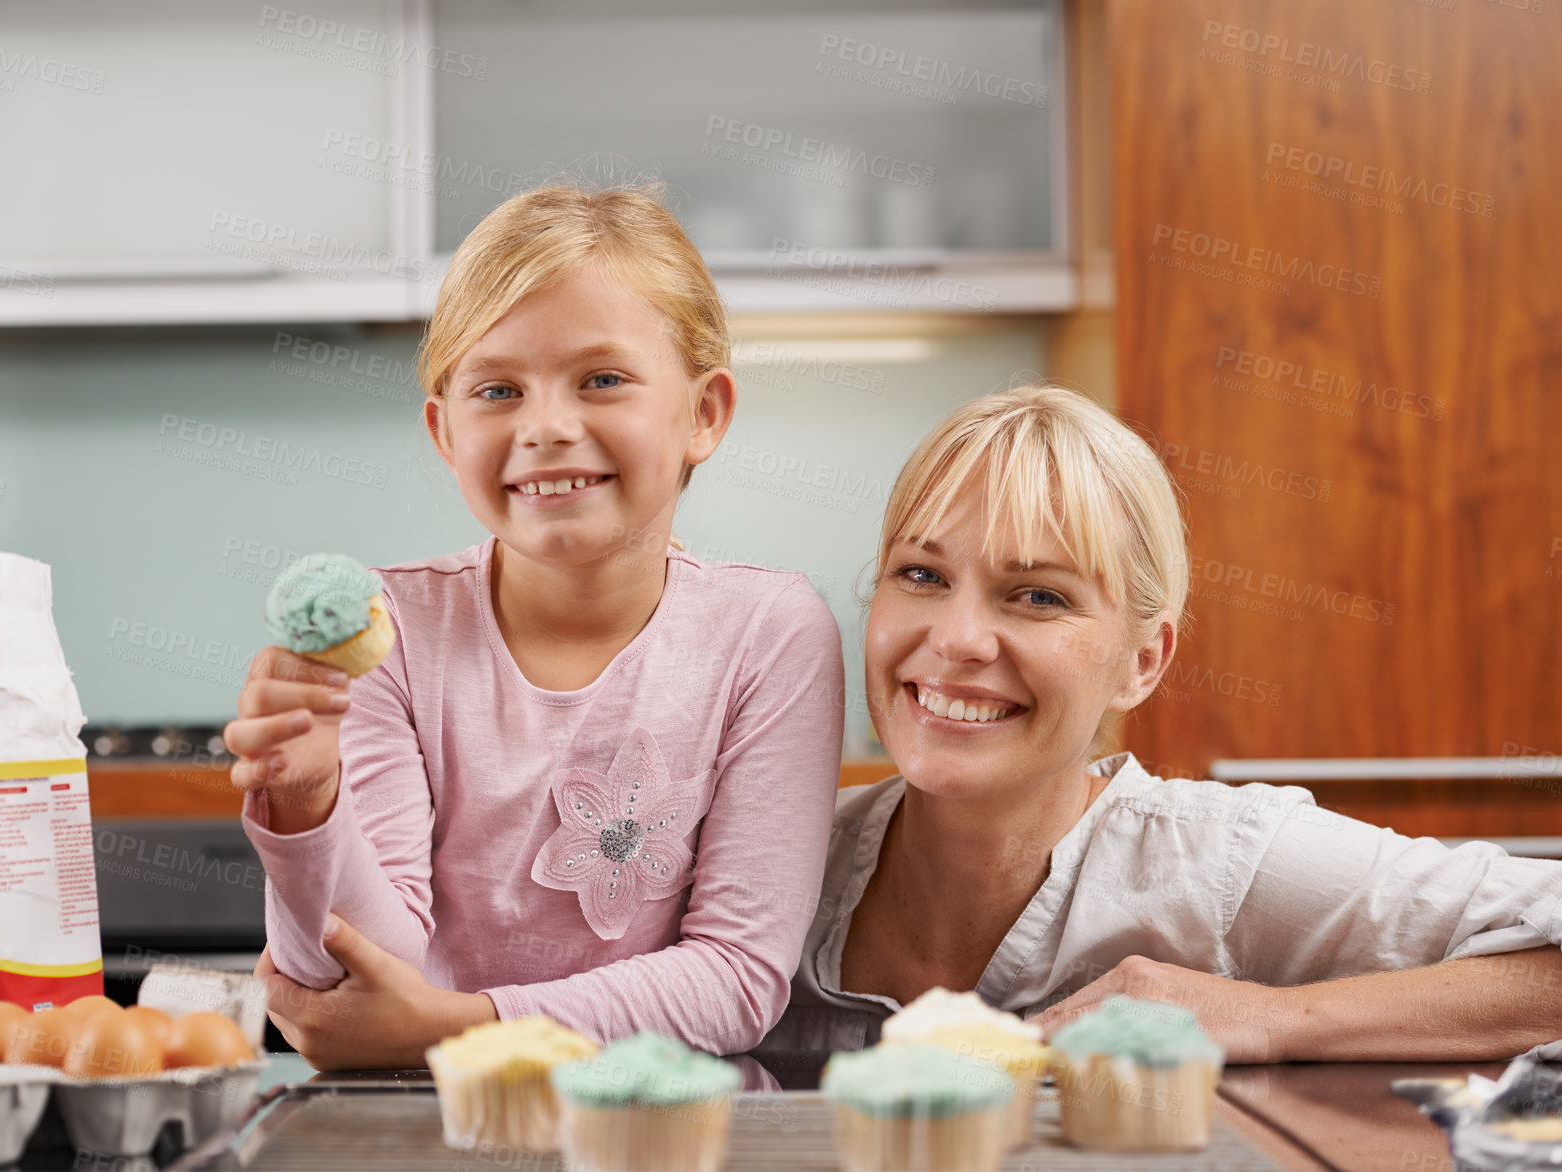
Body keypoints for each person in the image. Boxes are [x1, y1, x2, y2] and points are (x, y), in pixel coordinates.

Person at [223, 185, 845, 1069]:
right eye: (498, 389)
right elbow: (345, 981)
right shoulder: (387, 631)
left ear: (703, 414)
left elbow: (736, 981)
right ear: (445, 432)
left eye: (602, 379)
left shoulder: (769, 633)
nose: (546, 427)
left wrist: (456, 1024)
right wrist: (305, 804)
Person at [760, 383, 1562, 1062]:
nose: (958, 640)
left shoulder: (1220, 866)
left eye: (1038, 595)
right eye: (921, 575)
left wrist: (1271, 1016)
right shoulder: (766, 869)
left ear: (1142, 661)